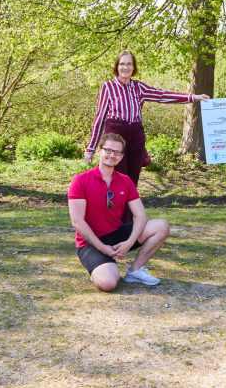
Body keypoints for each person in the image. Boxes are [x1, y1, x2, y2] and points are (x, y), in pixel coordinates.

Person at [84, 50, 209, 186]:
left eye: (129, 64)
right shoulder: (108, 87)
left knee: (133, 179)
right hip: (115, 137)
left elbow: (163, 95)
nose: (125, 67)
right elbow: (99, 119)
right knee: (118, 177)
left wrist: (193, 97)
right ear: (117, 67)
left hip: (136, 136)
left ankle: (131, 207)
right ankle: (116, 206)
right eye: (122, 64)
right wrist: (90, 149)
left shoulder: (139, 87)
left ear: (133, 67)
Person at [68, 133, 170, 292]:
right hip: (90, 242)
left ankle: (135, 270)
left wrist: (129, 242)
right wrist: (102, 248)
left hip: (117, 235)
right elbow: (77, 222)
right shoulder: (80, 181)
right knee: (108, 284)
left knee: (161, 226)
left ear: (121, 157)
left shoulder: (125, 181)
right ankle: (101, 269)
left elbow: (140, 215)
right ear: (100, 151)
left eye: (117, 152)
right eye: (108, 150)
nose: (112, 155)